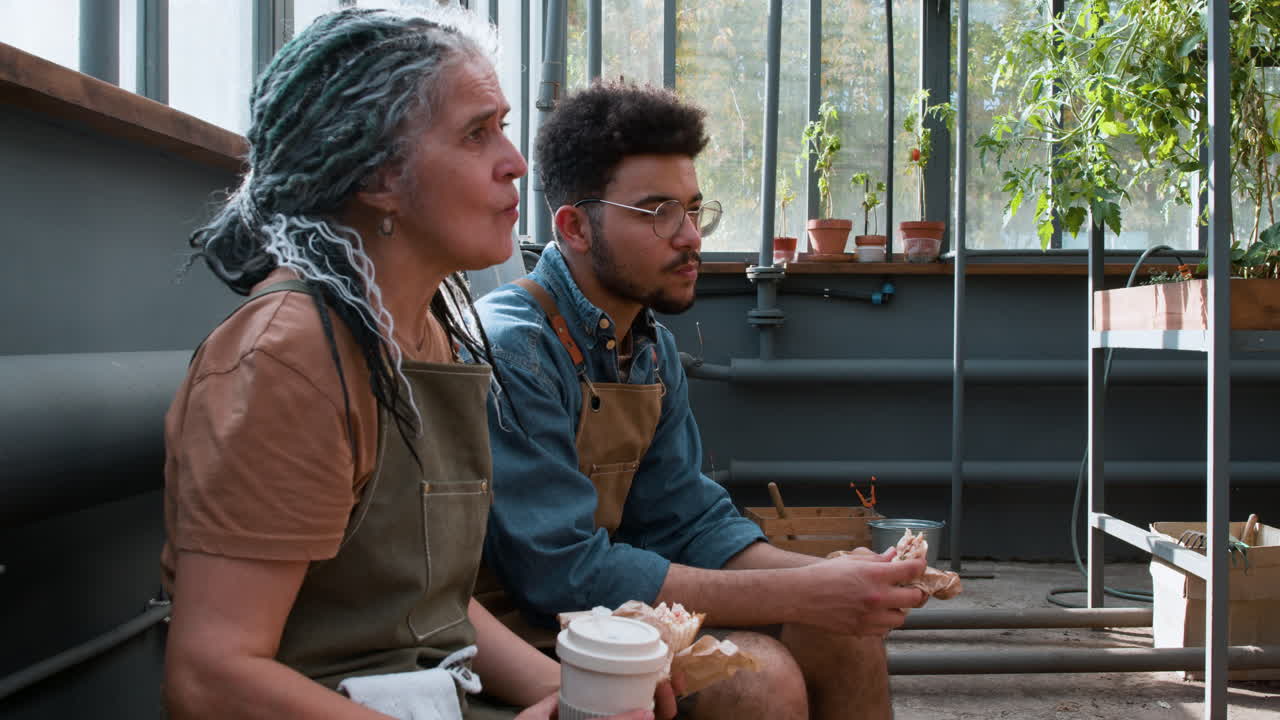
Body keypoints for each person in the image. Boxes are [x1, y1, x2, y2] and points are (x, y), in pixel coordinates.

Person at [161, 9, 673, 720]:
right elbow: (210, 677)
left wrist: (568, 690)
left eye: (503, 126)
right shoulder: (288, 358)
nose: (516, 162)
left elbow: (429, 600)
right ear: (378, 173)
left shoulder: (430, 330)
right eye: (477, 133)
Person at [476, 81, 929, 720]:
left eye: (693, 210)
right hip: (521, 636)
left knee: (843, 629)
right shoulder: (514, 347)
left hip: (623, 616)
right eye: (659, 212)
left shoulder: (651, 348)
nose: (690, 236)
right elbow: (561, 575)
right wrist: (801, 591)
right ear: (575, 227)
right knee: (759, 678)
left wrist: (837, 581)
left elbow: (689, 523)